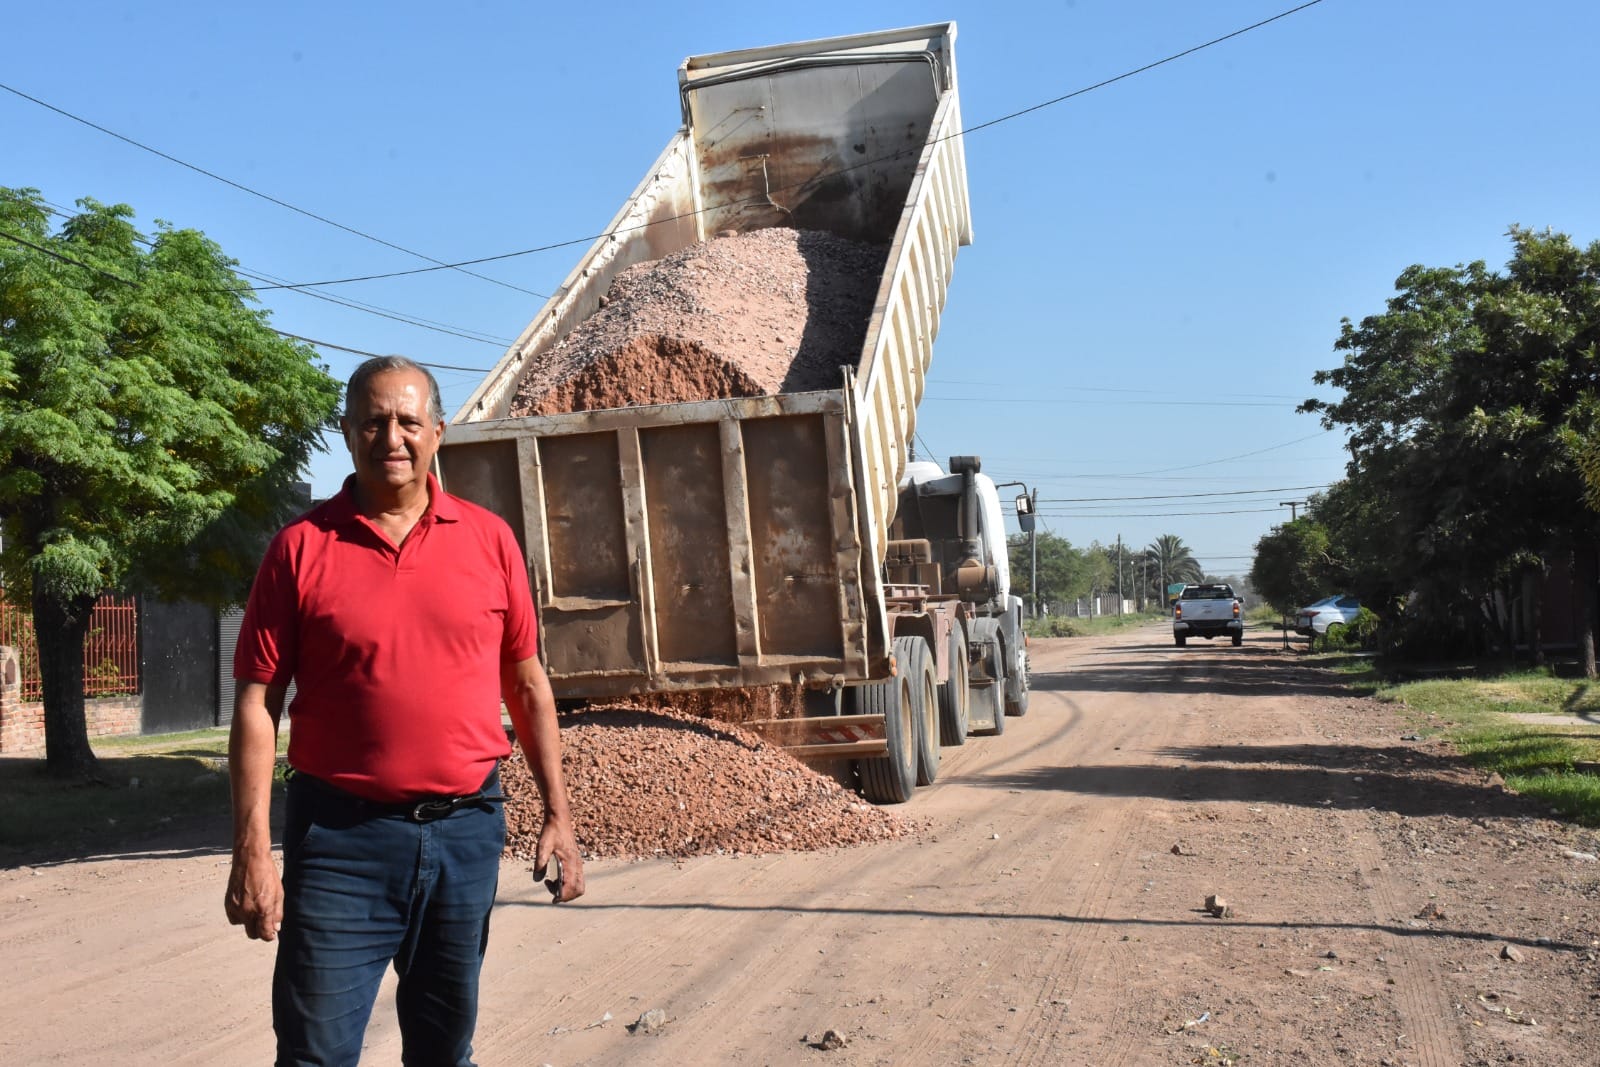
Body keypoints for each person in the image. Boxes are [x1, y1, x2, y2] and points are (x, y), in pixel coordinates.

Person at [225, 355, 584, 1066]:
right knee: (314, 1054)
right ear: (348, 432)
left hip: (465, 835)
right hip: (339, 843)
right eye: (374, 420)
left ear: (438, 432)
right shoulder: (300, 550)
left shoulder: (490, 541)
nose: (392, 436)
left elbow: (529, 685)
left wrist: (559, 815)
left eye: (408, 420)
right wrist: (252, 850)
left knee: (443, 1051)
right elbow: (258, 704)